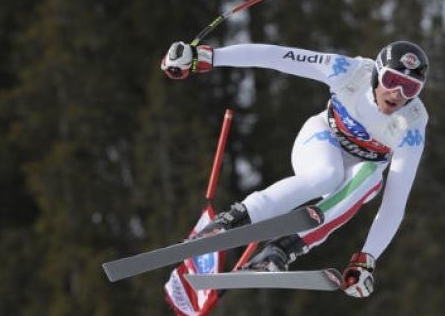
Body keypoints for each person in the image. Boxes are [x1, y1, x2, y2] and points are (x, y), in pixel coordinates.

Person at [160, 40, 429, 298]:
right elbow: (277, 56)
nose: (397, 94)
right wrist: (209, 57)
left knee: (372, 178)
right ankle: (231, 221)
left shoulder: (412, 125)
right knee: (328, 175)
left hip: (355, 177)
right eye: (392, 81)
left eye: (410, 88)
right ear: (377, 74)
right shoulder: (351, 72)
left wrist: (367, 258)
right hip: (320, 142)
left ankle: (279, 252)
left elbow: (395, 203)